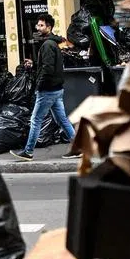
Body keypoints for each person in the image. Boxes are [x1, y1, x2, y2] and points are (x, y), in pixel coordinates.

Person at [11, 13, 81, 162]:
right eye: (38, 25)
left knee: (36, 119)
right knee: (62, 120)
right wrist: (34, 64)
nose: (38, 27)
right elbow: (46, 65)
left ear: (49, 27)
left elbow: (48, 69)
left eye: (41, 25)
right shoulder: (52, 43)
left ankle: (28, 151)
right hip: (56, 89)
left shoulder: (48, 44)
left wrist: (39, 86)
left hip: (48, 90)